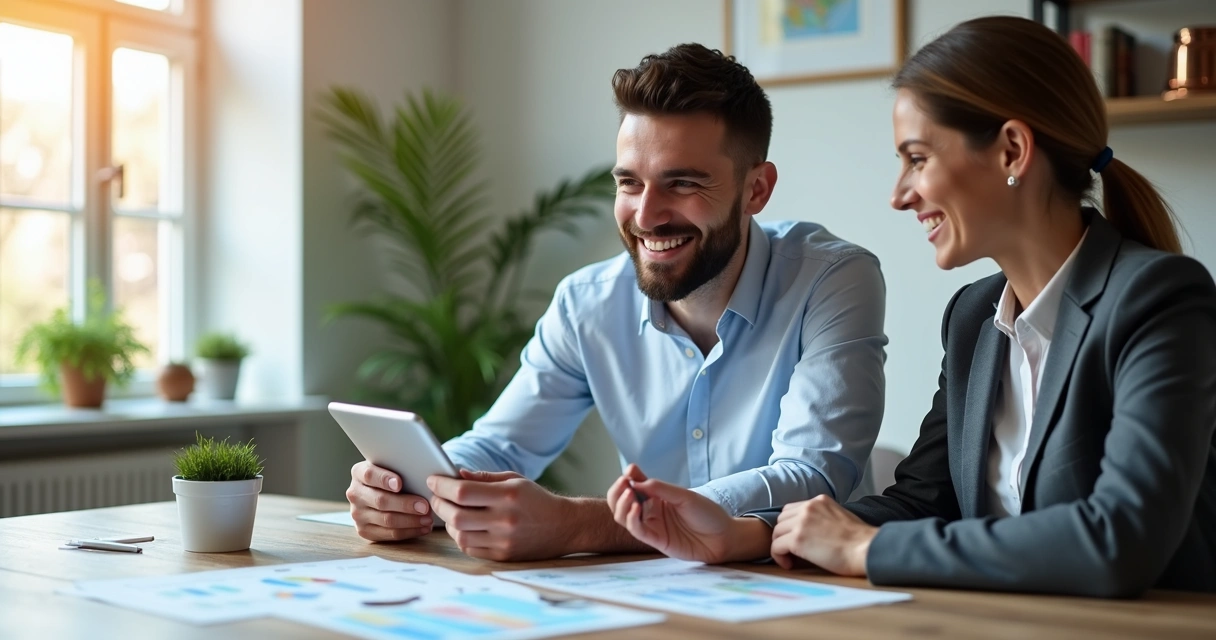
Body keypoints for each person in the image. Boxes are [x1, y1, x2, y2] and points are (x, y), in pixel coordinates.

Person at [607, 16, 1216, 597]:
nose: (899, 195)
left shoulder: (1159, 299)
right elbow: (922, 500)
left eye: (917, 158)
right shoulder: (977, 317)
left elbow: (1121, 539)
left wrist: (867, 551)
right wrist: (752, 533)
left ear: (1011, 151)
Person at [346, 43, 888, 561]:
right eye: (629, 183)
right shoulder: (586, 303)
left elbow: (811, 475)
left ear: (756, 191)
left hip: (801, 590)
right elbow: (501, 448)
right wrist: (409, 492)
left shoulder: (834, 279)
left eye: (681, 183)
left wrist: (582, 524)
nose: (647, 216)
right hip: (645, 594)